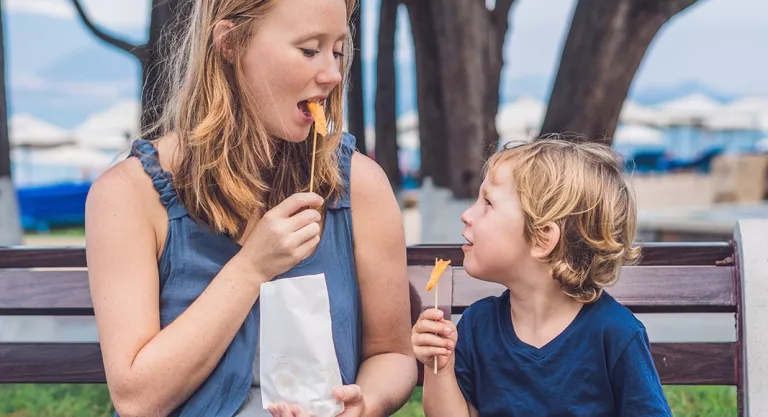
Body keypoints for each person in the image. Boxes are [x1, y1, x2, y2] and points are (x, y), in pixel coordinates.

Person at [84, 0, 416, 416]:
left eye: (338, 50)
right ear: (230, 42)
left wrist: (364, 404)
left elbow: (392, 353)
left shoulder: (360, 185)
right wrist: (251, 269)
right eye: (310, 49)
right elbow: (137, 399)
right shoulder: (129, 195)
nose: (332, 75)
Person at [411, 137, 673, 416]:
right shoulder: (478, 325)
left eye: (488, 202)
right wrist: (438, 366)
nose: (466, 215)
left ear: (541, 238)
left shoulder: (614, 333)